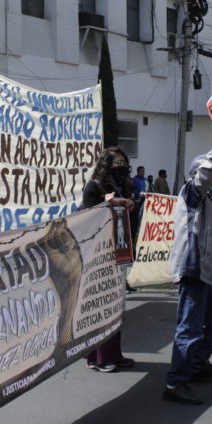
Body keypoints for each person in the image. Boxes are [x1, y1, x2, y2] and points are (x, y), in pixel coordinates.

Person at [163, 122, 212, 406]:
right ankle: (176, 381)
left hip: (206, 272)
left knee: (211, 316)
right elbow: (203, 176)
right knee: (190, 326)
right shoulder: (192, 193)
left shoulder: (210, 203)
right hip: (192, 269)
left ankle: (197, 363)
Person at [80, 147, 136, 373]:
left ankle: (114, 353)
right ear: (106, 164)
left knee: (116, 305)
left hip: (117, 251)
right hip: (99, 254)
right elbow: (86, 215)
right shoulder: (94, 185)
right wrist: (105, 202)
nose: (120, 168)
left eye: (124, 163)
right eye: (116, 163)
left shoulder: (121, 186)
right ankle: (99, 357)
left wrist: (129, 204)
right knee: (102, 306)